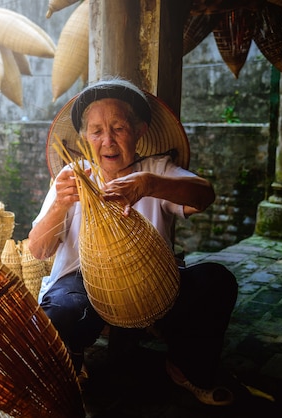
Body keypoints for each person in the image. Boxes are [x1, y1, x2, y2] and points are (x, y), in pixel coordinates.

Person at [28, 77, 239, 406]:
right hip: (87, 288)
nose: (107, 141)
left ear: (140, 131)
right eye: (97, 131)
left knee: (216, 281)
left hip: (154, 285)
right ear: (84, 137)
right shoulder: (72, 177)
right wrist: (59, 204)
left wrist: (151, 184)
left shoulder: (155, 170)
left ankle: (185, 367)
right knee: (59, 310)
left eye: (119, 128)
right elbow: (37, 249)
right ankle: (71, 366)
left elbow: (204, 196)